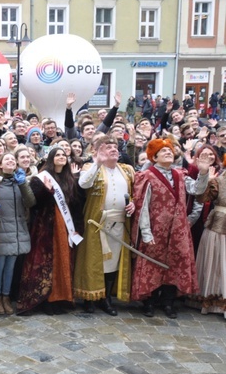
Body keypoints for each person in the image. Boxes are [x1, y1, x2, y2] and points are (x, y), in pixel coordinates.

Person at [131, 138, 210, 318]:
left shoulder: (180, 174)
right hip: (155, 228)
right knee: (152, 264)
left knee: (173, 264)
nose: (168, 152)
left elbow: (197, 190)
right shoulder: (147, 176)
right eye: (163, 151)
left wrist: (203, 172)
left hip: (177, 229)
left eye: (170, 150)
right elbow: (143, 206)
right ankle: (149, 302)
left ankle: (168, 302)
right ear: (154, 156)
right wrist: (145, 232)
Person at [17, 147, 83, 315]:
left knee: (63, 261)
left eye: (63, 155)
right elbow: (34, 204)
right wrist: (47, 191)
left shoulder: (70, 178)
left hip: (65, 227)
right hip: (45, 227)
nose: (61, 157)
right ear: (51, 158)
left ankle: (58, 298)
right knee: (45, 263)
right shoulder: (41, 178)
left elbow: (75, 205)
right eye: (57, 155)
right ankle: (43, 299)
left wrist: (77, 228)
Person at [74, 136, 136, 316]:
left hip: (119, 223)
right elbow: (83, 183)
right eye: (108, 147)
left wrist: (133, 203)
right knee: (93, 260)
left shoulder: (127, 170)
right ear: (98, 150)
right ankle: (89, 298)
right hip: (96, 223)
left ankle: (106, 298)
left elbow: (135, 193)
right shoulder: (90, 167)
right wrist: (97, 163)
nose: (113, 149)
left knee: (112, 262)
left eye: (115, 147)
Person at [0, 152, 35, 315]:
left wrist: (23, 184)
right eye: (7, 159)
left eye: (13, 160)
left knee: (10, 266)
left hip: (18, 228)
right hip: (1, 228)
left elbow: (30, 202)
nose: (11, 161)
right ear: (0, 165)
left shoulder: (21, 182)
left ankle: (6, 296)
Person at [193, 166, 226, 319]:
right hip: (218, 227)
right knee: (217, 263)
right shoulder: (218, 181)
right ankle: (213, 300)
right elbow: (201, 198)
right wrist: (207, 177)